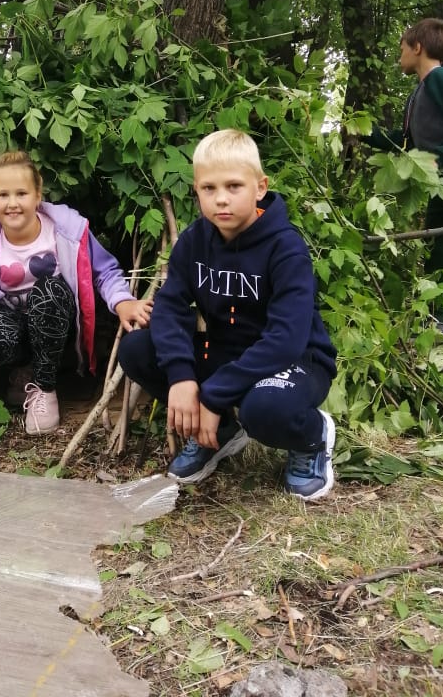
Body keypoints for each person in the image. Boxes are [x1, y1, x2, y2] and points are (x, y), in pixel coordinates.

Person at [118, 129, 338, 500]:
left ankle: (312, 436)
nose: (221, 199)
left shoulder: (286, 249)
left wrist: (212, 396)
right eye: (208, 188)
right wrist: (182, 376)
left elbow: (286, 340)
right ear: (197, 190)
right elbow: (170, 307)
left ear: (260, 187)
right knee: (137, 349)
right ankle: (219, 434)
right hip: (225, 353)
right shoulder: (194, 240)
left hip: (293, 361)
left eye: (234, 186)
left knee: (264, 409)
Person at [0, 150, 153, 434]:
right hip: (18, 335)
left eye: (21, 193)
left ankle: (46, 388)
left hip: (60, 330)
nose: (12, 203)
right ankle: (23, 376)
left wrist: (122, 303)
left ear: (37, 194)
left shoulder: (69, 232)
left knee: (48, 290)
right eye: (3, 195)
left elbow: (104, 271)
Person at [364, 17, 443, 345]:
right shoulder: (419, 94)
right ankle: (439, 320)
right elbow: (405, 140)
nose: (399, 55)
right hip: (439, 183)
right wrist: (366, 134)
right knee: (441, 249)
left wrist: (441, 155)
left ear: (417, 48)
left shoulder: (440, 79)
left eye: (402, 48)